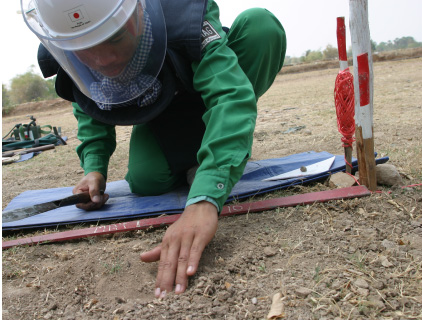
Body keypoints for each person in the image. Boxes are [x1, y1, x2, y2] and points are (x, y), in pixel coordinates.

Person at [22, 0, 286, 298]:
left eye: (115, 37)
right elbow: (88, 96)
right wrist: (94, 167)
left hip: (214, 81)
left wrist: (205, 197)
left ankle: (221, 149)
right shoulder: (67, 43)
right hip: (163, 111)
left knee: (261, 27)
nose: (103, 60)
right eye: (85, 47)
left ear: (138, 13)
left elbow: (230, 95)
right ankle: (211, 148)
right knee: (147, 180)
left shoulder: (184, 12)